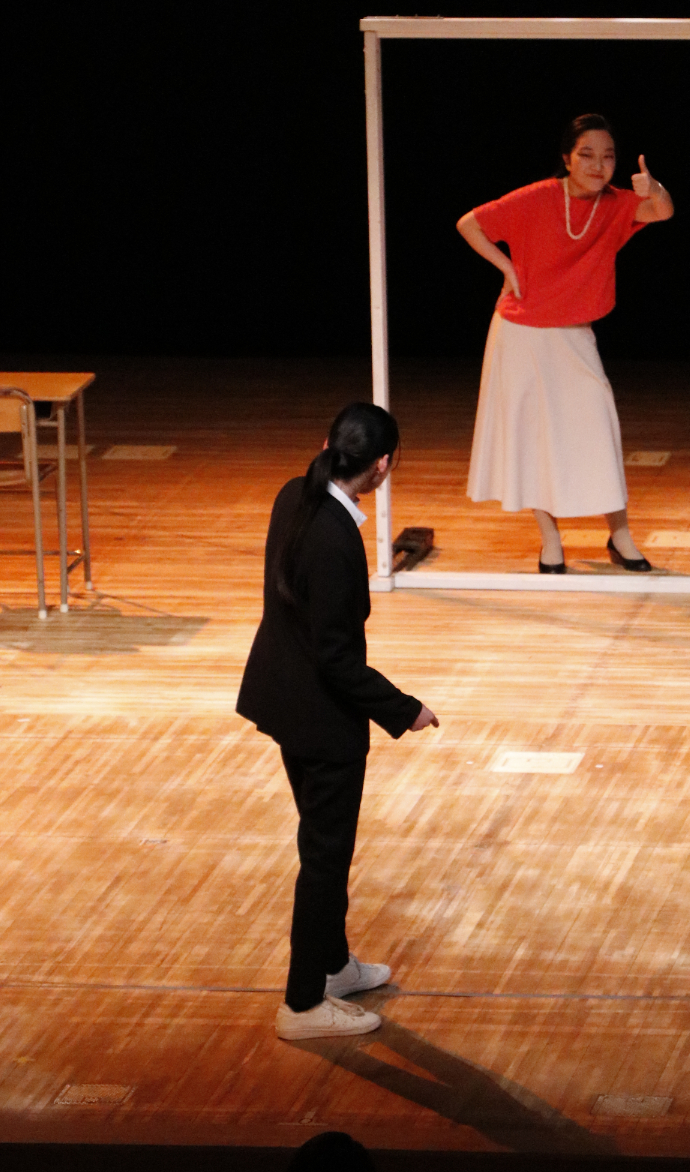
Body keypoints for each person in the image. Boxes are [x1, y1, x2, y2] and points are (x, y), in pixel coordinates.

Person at [237, 402, 439, 1040]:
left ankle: (332, 965)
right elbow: (337, 659)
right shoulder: (335, 539)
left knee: (324, 847)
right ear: (382, 466)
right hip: (320, 719)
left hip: (286, 699)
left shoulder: (294, 495)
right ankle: (302, 1005)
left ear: (329, 445)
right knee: (325, 859)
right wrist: (405, 709)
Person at [456, 113, 673, 571]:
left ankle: (620, 535)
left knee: (598, 429)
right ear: (567, 159)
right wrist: (507, 268)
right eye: (586, 155)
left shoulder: (618, 203)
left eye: (607, 156)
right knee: (535, 438)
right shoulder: (537, 197)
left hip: (574, 335)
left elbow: (663, 211)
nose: (598, 165)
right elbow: (469, 224)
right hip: (520, 333)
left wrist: (653, 187)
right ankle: (550, 540)